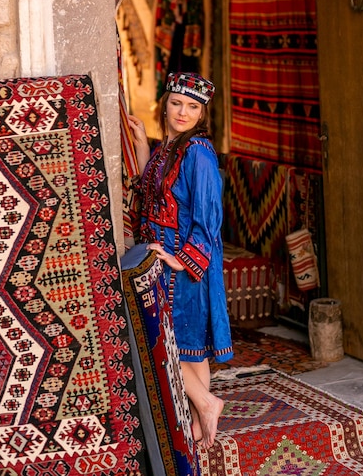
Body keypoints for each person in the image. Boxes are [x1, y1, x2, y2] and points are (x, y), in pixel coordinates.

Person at [128, 71, 233, 450]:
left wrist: (181, 260)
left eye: (192, 107)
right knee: (191, 346)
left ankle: (206, 403)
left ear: (202, 113)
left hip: (186, 265)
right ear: (165, 104)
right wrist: (142, 145)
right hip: (168, 255)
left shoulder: (198, 153)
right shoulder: (170, 149)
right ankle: (201, 422)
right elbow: (151, 192)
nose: (182, 112)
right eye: (176, 103)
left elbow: (209, 217)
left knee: (169, 341)